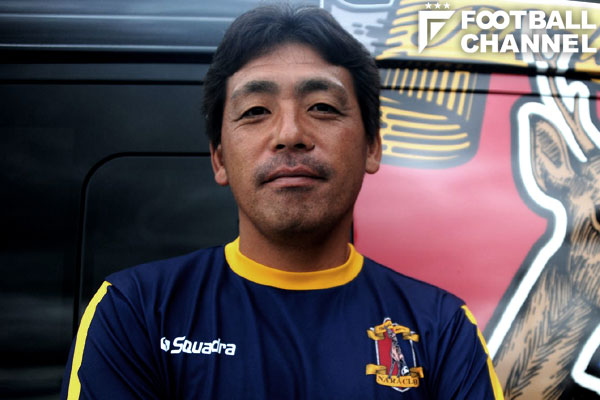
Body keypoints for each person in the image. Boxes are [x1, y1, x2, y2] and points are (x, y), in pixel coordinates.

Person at [61, 4, 504, 399]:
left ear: (372, 146)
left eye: (322, 107)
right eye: (256, 111)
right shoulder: (136, 312)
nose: (290, 133)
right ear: (219, 158)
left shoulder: (442, 328)